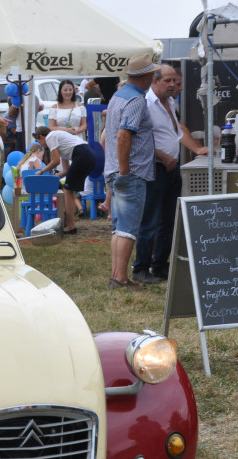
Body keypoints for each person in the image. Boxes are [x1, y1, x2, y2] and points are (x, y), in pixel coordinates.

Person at [136, 64, 208, 283]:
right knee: (150, 220)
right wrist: (161, 156)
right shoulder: (146, 104)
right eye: (167, 81)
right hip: (154, 168)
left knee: (169, 219)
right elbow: (139, 140)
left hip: (172, 167)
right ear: (155, 81)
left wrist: (196, 149)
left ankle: (160, 265)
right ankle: (140, 267)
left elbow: (177, 131)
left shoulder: (169, 102)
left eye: (174, 81)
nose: (172, 85)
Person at [104, 53, 159, 289]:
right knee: (128, 229)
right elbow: (124, 134)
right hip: (131, 172)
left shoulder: (118, 95)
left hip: (115, 171)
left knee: (119, 228)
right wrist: (126, 171)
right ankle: (120, 278)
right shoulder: (137, 100)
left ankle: (117, 275)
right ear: (145, 77)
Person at [34, 125, 96, 235]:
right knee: (69, 189)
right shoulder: (60, 141)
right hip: (89, 155)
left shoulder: (50, 137)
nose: (41, 145)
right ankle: (68, 222)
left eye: (39, 141)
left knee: (67, 190)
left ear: (41, 136)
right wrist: (53, 178)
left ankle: (71, 226)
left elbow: (56, 161)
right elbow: (66, 170)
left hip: (82, 154)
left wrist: (41, 171)